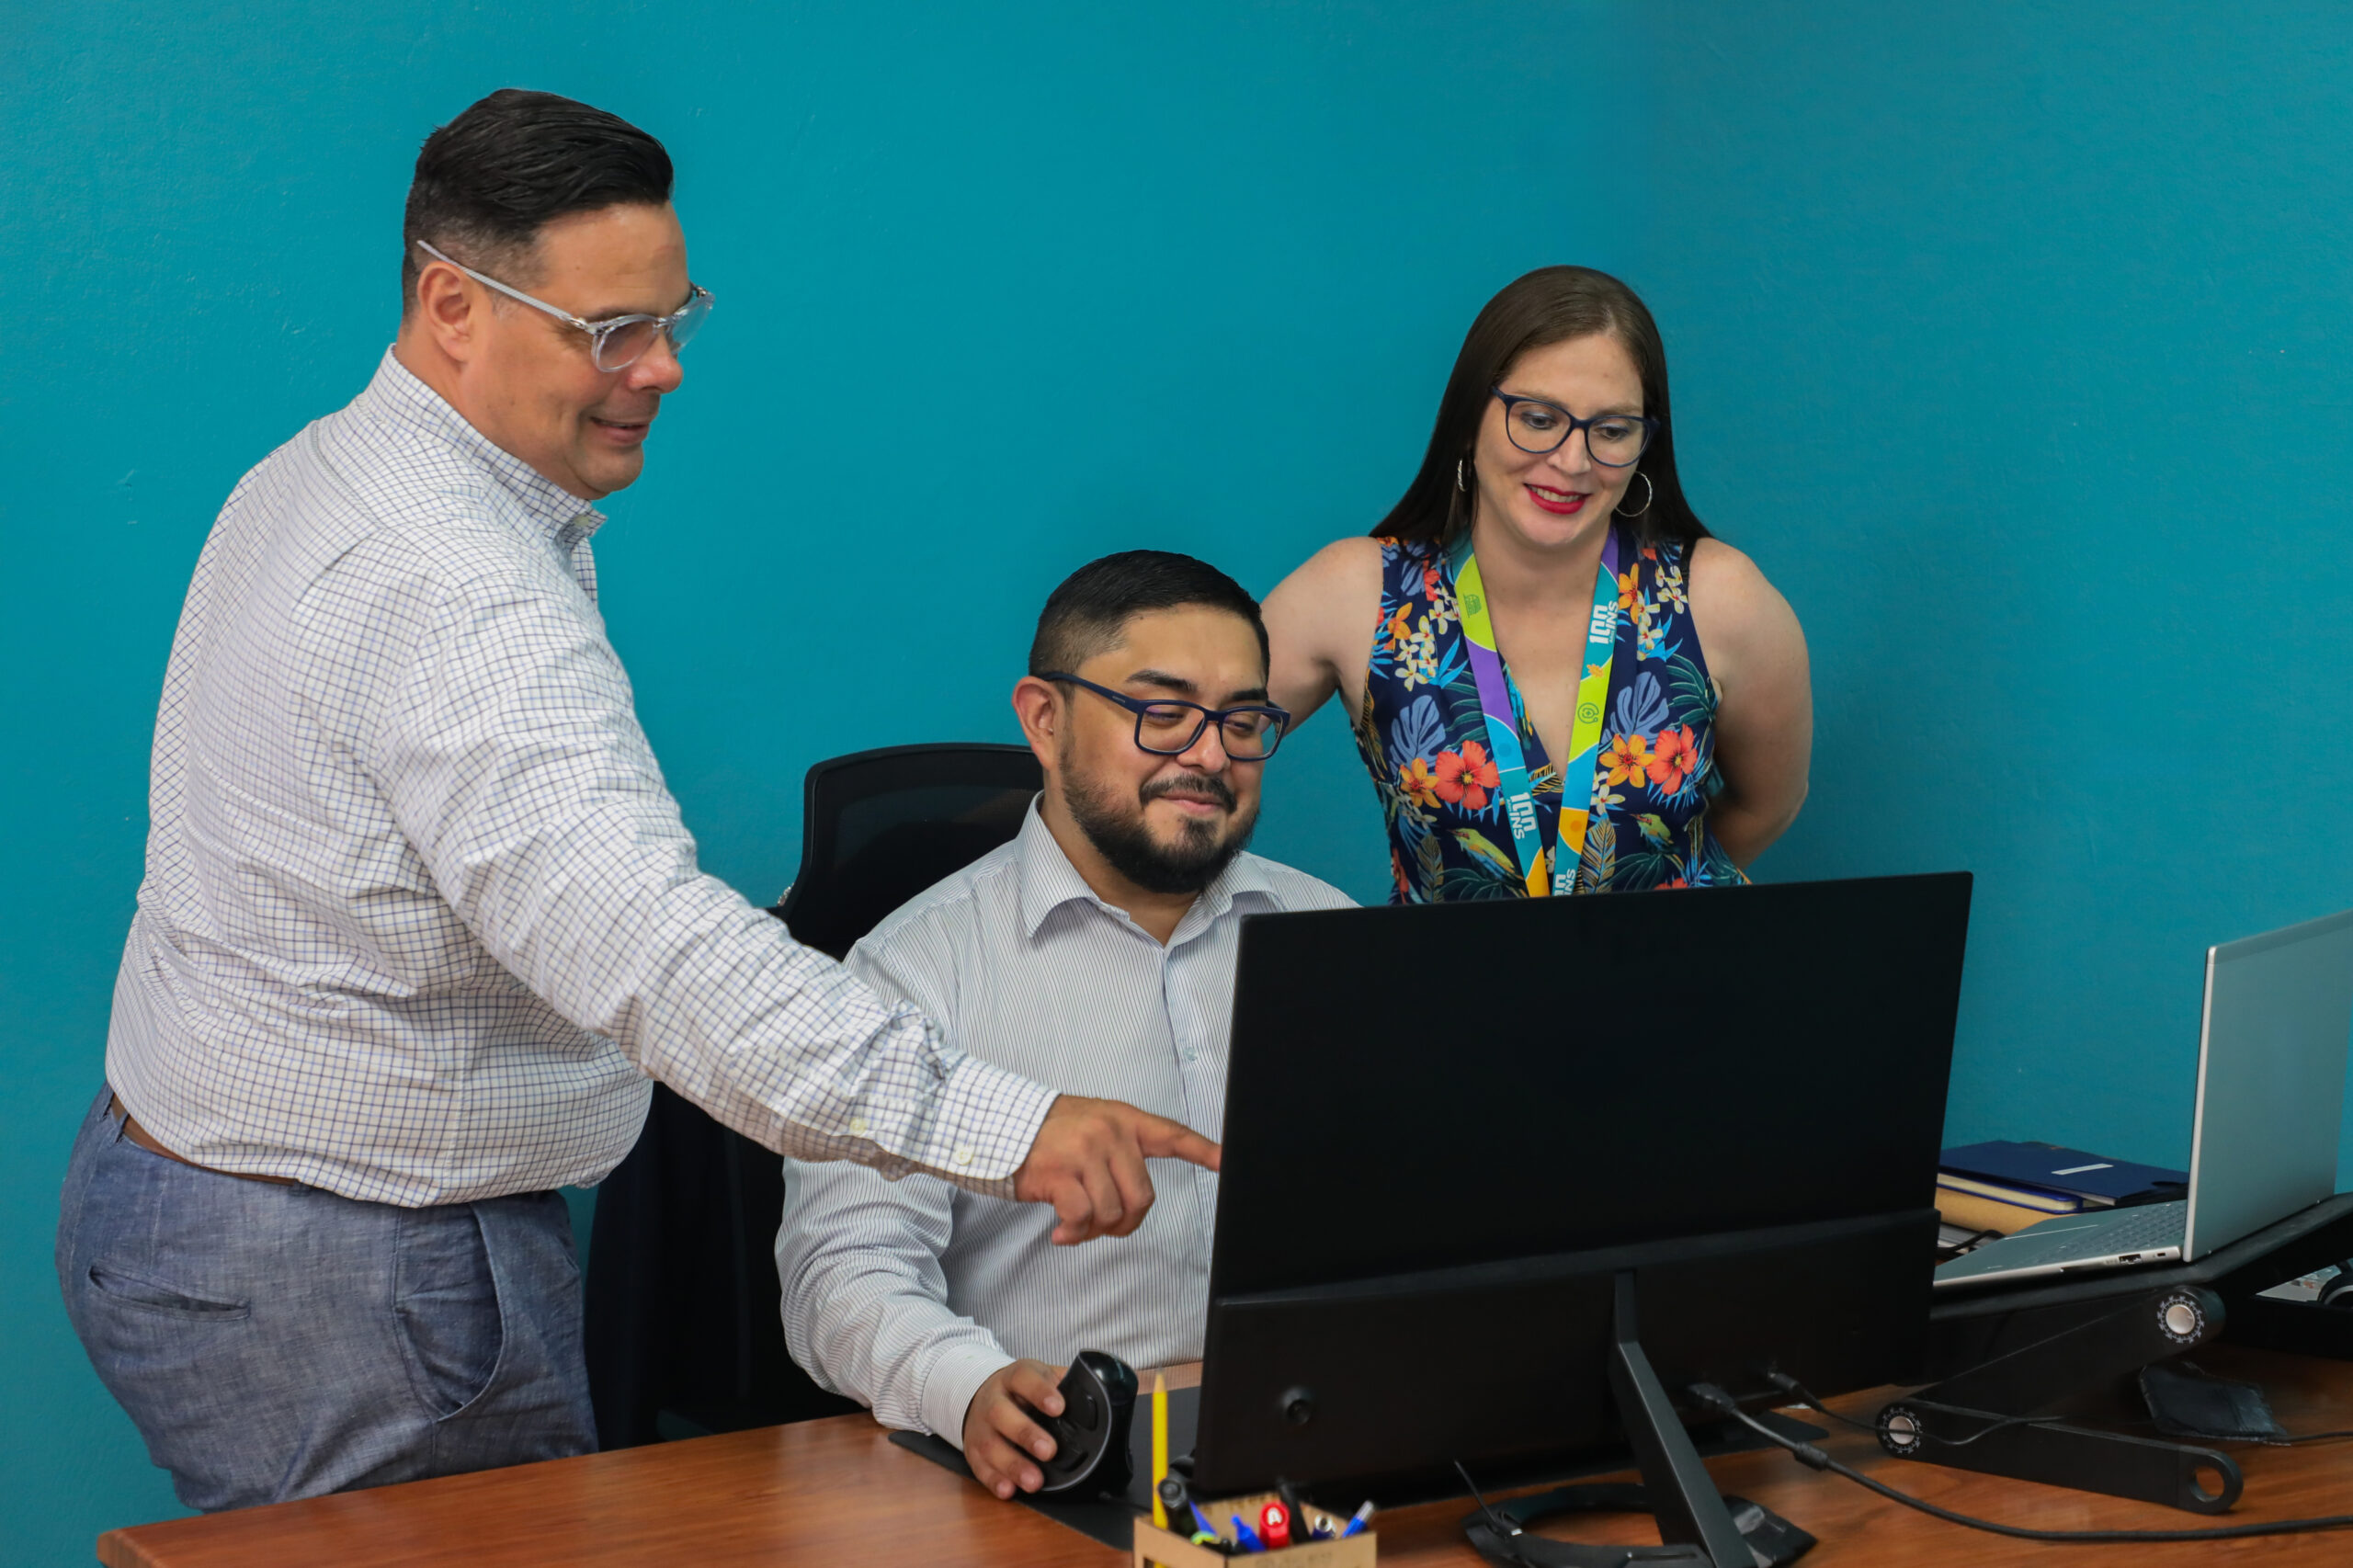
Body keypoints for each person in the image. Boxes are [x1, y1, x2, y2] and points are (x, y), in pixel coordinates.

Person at [56, 90, 1213, 1513]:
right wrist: (1007, 1127)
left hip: (187, 1196)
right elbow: (653, 951)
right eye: (610, 331)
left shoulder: (315, 472)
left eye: (676, 317)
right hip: (353, 1281)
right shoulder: (461, 589)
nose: (661, 368)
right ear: (450, 303)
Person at [776, 551, 1353, 1500]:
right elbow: (845, 1270)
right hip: (1054, 1474)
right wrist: (965, 1389)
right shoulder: (916, 967)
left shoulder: (1329, 931)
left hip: (1314, 1459)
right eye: (1161, 711)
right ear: (1044, 719)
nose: (1208, 754)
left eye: (1242, 721)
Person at [1262, 266, 1811, 900]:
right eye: (1538, 417)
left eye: (1610, 431)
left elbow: (1767, 804)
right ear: (1470, 419)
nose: (1572, 462)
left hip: (1673, 987)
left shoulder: (1719, 597)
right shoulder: (1358, 592)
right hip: (1448, 993)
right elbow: (1192, 740)